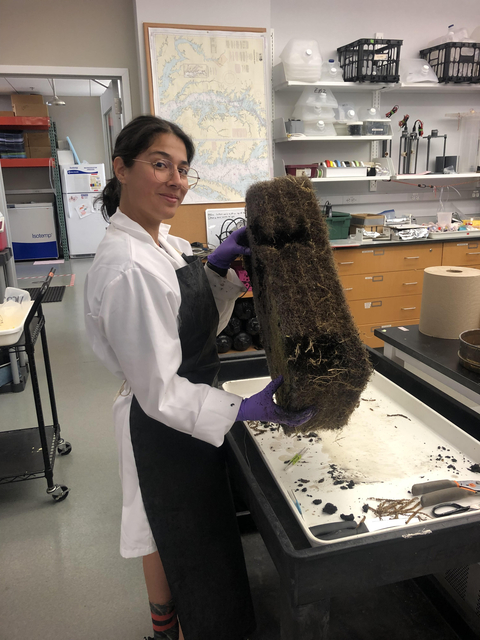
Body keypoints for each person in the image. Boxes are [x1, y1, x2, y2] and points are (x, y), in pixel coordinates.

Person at [84, 115, 313, 640]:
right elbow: (160, 388)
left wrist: (215, 276)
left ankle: (167, 627)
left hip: (184, 411)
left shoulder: (161, 244)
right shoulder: (130, 268)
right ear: (120, 168)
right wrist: (243, 408)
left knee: (171, 533)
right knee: (184, 540)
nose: (176, 180)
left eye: (184, 168)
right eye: (160, 164)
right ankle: (179, 630)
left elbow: (187, 327)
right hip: (165, 425)